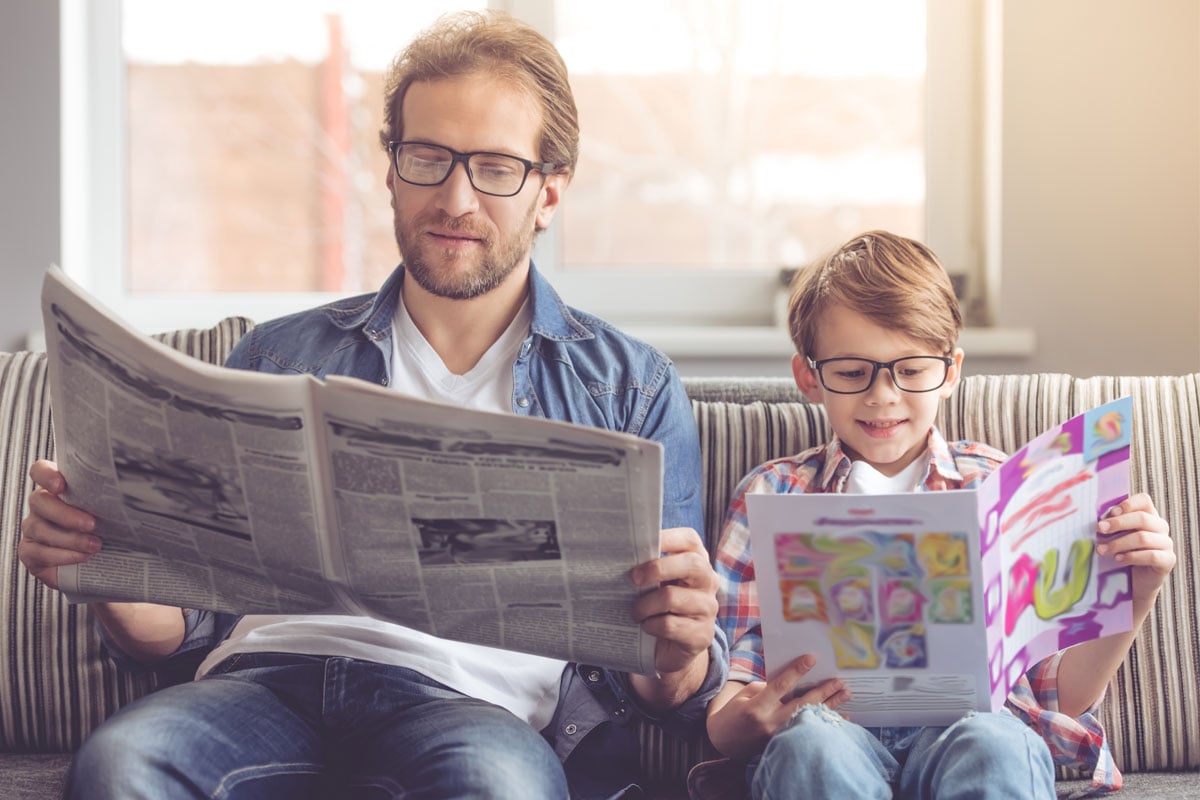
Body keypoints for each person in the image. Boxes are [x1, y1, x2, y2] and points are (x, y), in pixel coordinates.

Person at [18, 11, 726, 799]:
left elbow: (662, 685)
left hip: (473, 706)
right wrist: (100, 563)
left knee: (500, 788)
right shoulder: (276, 357)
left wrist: (681, 646)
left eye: (495, 167)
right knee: (119, 764)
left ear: (548, 192)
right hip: (265, 683)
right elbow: (176, 629)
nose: (456, 197)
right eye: (427, 157)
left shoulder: (630, 387)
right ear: (390, 169)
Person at [701, 231, 1175, 799]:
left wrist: (1139, 589)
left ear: (950, 372)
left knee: (998, 743)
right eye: (852, 372)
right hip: (831, 731)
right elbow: (731, 696)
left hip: (971, 732)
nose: (883, 396)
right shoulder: (773, 493)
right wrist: (740, 724)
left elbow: (1060, 697)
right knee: (810, 746)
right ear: (808, 377)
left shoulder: (1000, 485)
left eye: (911, 370)